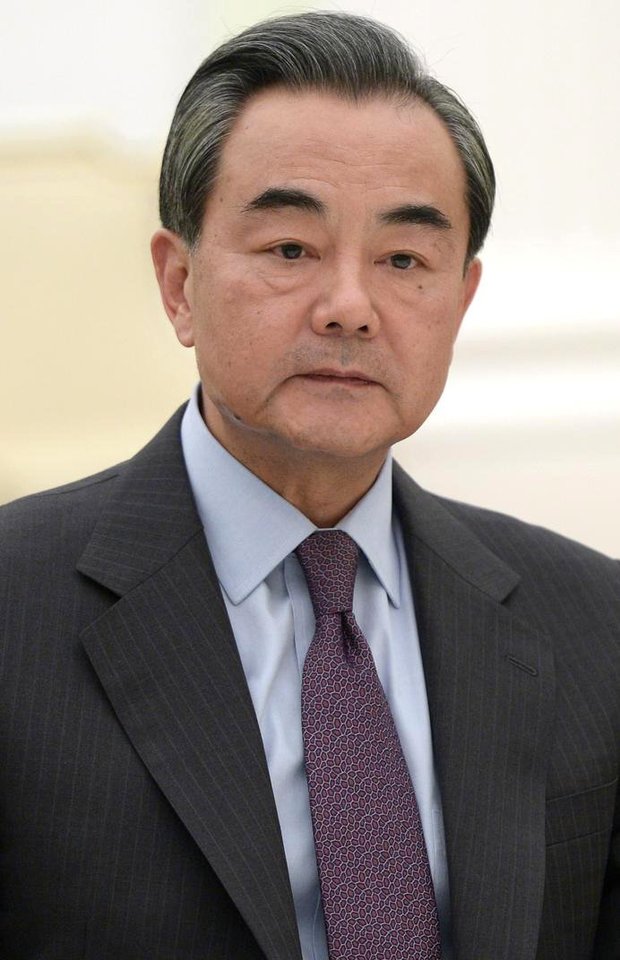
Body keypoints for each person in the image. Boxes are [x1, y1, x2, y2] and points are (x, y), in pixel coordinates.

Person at [0, 11, 618, 960]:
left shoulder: (594, 628)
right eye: (290, 249)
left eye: (404, 260)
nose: (350, 308)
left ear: (461, 301)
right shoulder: (15, 607)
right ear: (178, 285)